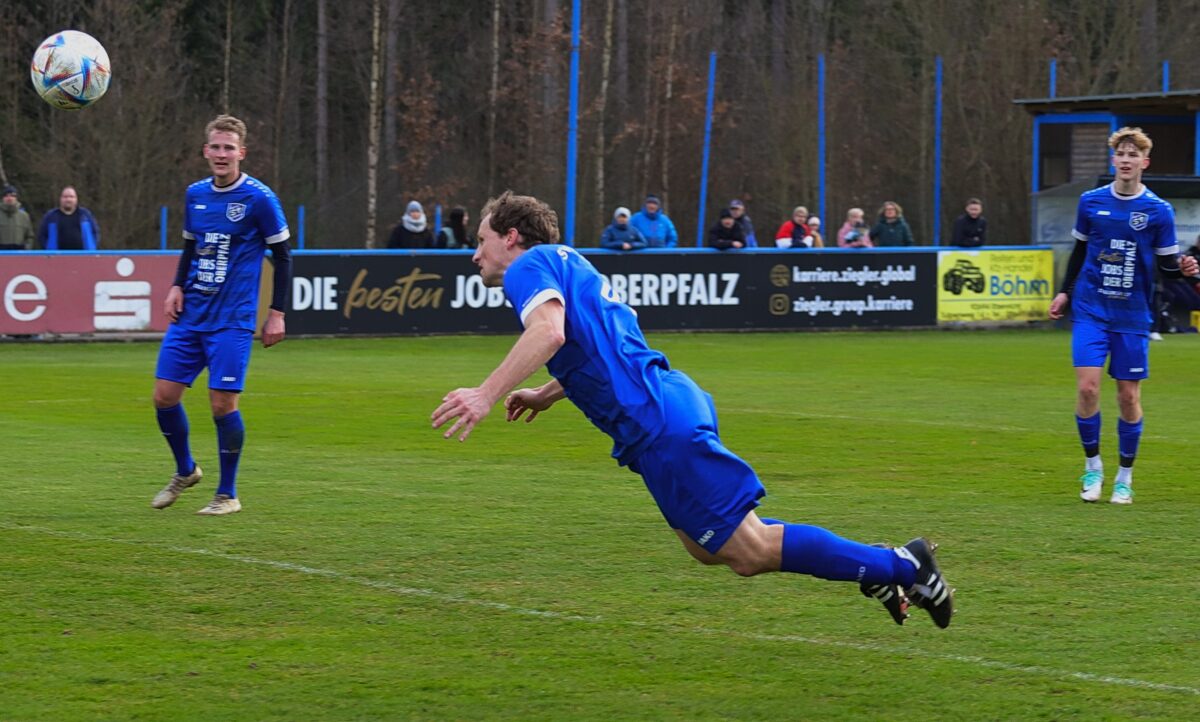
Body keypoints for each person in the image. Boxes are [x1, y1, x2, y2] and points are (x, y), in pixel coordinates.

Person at [431, 190, 956, 629]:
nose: (475, 253)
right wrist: (547, 393)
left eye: (481, 241)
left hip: (658, 423)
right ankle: (876, 565)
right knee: (707, 549)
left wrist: (485, 393)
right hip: (663, 408)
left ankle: (899, 565)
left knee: (749, 550)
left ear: (511, 238)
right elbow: (601, 348)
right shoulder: (569, 261)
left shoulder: (529, 267)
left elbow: (549, 331)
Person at [1048, 127, 1200, 505]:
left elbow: (1166, 268)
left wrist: (1183, 267)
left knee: (1128, 397)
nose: (1127, 160)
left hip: (1132, 315)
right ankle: (1093, 468)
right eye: (1122, 154)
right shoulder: (1090, 202)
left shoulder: (1158, 211)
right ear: (1113, 160)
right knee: (1087, 388)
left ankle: (1125, 477)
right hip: (1090, 307)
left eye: (1134, 155)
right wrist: (1065, 291)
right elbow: (1079, 252)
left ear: (1144, 163)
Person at [150, 114, 293, 516]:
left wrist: (277, 312)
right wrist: (177, 285)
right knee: (163, 396)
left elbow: (282, 256)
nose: (221, 154)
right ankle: (185, 470)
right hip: (192, 312)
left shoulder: (260, 199)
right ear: (205, 151)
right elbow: (189, 248)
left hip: (232, 318)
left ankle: (227, 494)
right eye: (215, 147)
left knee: (221, 405)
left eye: (229, 148)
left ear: (241, 153)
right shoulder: (195, 194)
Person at [37, 186, 100, 250]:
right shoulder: (51, 216)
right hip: (57, 257)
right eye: (65, 197)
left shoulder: (85, 215)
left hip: (83, 257)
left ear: (76, 199)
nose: (68, 199)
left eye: (71, 197)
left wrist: (91, 249)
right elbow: (42, 236)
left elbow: (95, 233)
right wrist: (49, 251)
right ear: (60, 199)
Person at [0, 185, 36, 250]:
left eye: (12, 196)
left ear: (16, 198)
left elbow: (30, 236)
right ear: (3, 198)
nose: (9, 198)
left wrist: (26, 249)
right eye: (6, 196)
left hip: (19, 254)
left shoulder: (24, 216)